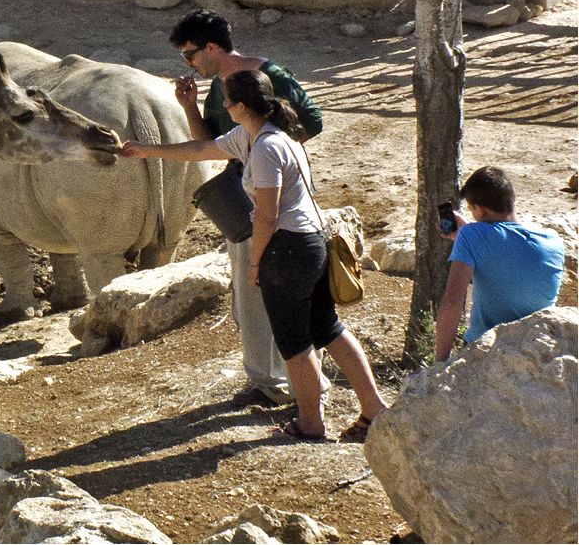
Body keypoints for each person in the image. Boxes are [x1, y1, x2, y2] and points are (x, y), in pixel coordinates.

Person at [121, 70, 388, 441]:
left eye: (227, 101)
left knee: (294, 343)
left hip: (286, 250)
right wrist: (146, 149)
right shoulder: (264, 136)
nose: (225, 106)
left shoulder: (264, 148)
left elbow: (267, 214)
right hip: (311, 244)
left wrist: (255, 261)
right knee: (329, 330)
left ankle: (311, 423)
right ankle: (374, 408)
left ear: (242, 106)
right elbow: (202, 149)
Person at [168, 10, 323, 406]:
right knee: (248, 292)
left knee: (271, 288)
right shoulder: (219, 91)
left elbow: (311, 123)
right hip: (242, 195)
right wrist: (188, 106)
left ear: (213, 47)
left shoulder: (269, 77)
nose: (189, 64)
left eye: (190, 55)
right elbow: (211, 144)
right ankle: (269, 379)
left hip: (273, 197)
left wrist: (264, 154)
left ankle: (286, 384)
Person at [435, 166, 564, 362]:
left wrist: (439, 364)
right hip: (539, 348)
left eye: (472, 209)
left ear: (482, 210)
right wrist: (465, 237)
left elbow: (453, 302)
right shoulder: (553, 239)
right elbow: (510, 261)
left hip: (487, 351)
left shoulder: (471, 235)